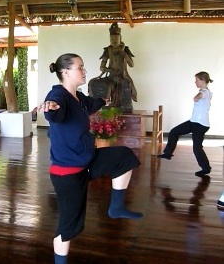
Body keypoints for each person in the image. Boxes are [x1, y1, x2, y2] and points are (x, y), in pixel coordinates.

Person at [38, 53, 143, 264]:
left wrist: (104, 101)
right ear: (66, 72)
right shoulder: (59, 96)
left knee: (124, 156)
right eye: (81, 68)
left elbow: (92, 103)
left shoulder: (78, 98)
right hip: (68, 173)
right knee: (68, 226)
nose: (85, 71)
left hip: (86, 162)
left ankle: (116, 207)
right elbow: (55, 110)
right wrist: (51, 108)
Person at [157, 71, 213, 178]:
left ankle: (206, 168)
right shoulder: (204, 91)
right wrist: (198, 95)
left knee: (197, 148)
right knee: (174, 132)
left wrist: (197, 96)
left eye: (196, 80)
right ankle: (168, 153)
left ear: (202, 80)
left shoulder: (205, 91)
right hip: (194, 122)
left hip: (201, 125)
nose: (195, 82)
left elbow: (202, 95)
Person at [98, 22, 137, 113]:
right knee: (99, 84)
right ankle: (105, 104)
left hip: (122, 75)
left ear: (120, 39)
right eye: (112, 39)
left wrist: (123, 52)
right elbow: (102, 67)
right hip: (111, 75)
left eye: (116, 38)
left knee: (126, 85)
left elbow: (131, 64)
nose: (114, 41)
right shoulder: (107, 50)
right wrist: (108, 69)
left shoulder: (125, 50)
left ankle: (126, 106)